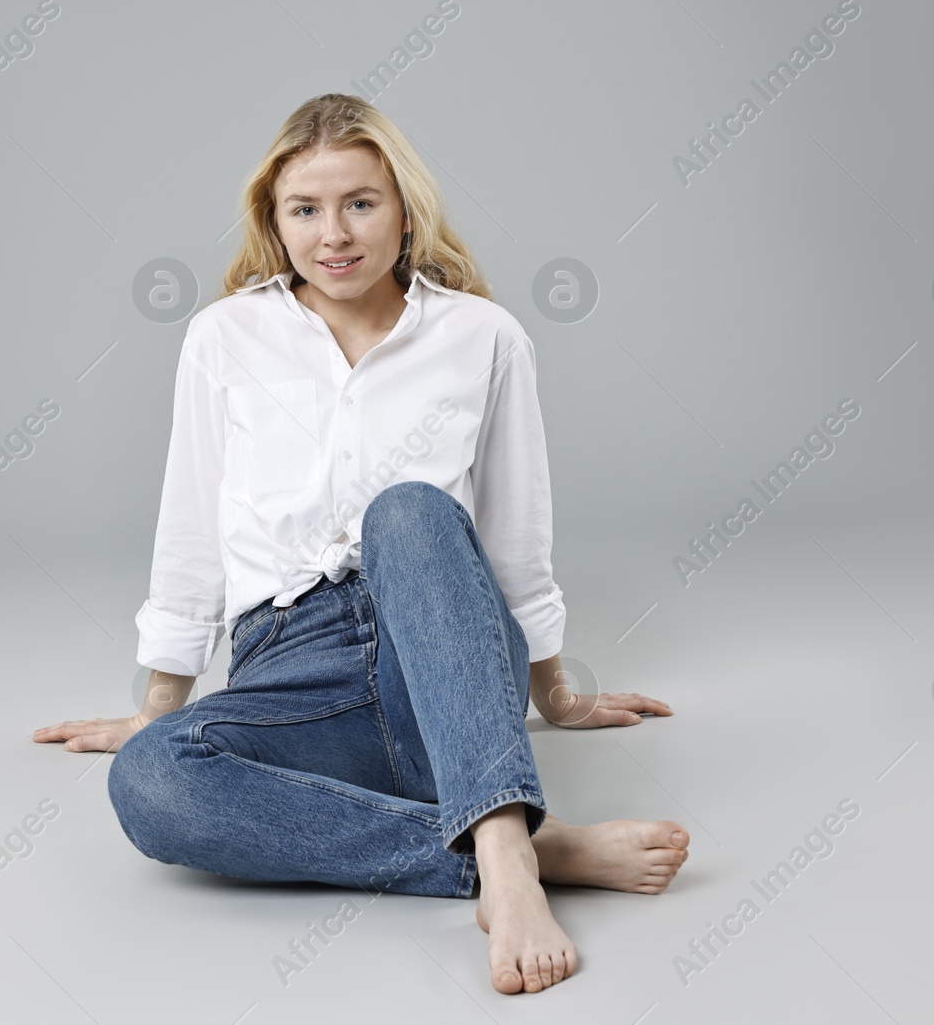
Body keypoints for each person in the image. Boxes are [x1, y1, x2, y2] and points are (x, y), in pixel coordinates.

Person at [35, 93, 689, 995]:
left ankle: (502, 857)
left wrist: (557, 691)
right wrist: (159, 705)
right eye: (305, 209)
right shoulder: (224, 337)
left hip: (443, 639)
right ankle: (521, 848)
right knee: (153, 781)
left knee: (410, 511)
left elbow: (512, 533)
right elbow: (189, 523)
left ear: (404, 210)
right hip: (291, 666)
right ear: (274, 219)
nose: (333, 234)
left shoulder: (482, 336)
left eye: (360, 203)